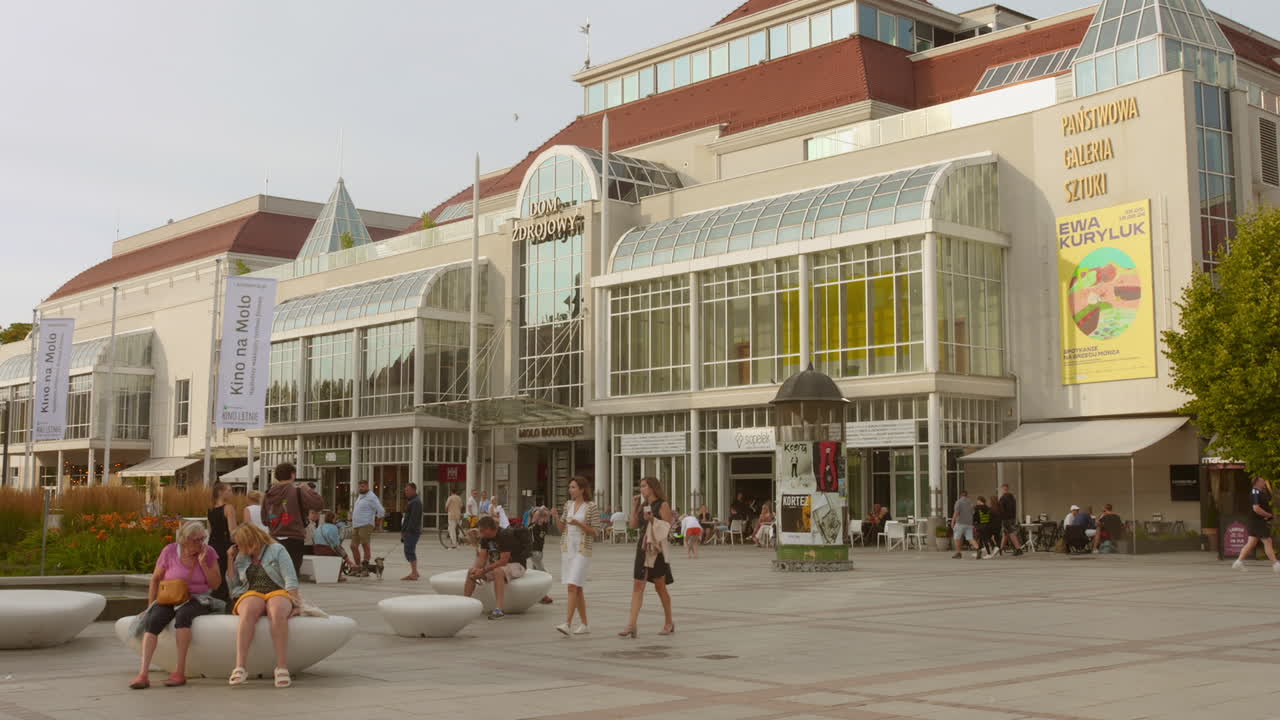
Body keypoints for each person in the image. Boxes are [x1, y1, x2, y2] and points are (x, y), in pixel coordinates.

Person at [129, 520, 224, 689]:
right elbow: (156, 579)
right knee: (153, 620)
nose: (201, 543)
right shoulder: (170, 551)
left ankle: (180, 672)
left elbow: (216, 584)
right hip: (170, 596)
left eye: (203, 538)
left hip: (198, 598)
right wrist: (150, 606)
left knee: (183, 616)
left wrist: (203, 564)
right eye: (196, 540)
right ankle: (143, 674)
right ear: (184, 540)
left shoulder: (209, 552)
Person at [226, 523, 301, 688]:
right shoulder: (242, 556)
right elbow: (233, 585)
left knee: (277, 611)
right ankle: (240, 666)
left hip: (277, 590)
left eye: (240, 543)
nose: (238, 547)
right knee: (248, 611)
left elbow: (290, 578)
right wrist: (230, 559)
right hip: (253, 592)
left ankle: (281, 667)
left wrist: (296, 604)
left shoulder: (277, 550)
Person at [620, 477, 675, 638]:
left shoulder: (662, 505)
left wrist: (653, 519)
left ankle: (669, 622)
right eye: (640, 486)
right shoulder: (644, 505)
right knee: (638, 585)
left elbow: (667, 527)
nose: (641, 489)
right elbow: (632, 526)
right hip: (643, 548)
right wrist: (635, 506)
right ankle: (631, 624)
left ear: (652, 488)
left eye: (644, 486)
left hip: (656, 550)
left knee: (660, 586)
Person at [555, 475, 600, 636]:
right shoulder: (568, 505)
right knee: (577, 587)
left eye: (573, 487)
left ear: (582, 489)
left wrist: (578, 523)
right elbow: (561, 528)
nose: (570, 490)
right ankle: (584, 624)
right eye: (569, 487)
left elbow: (596, 531)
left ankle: (567, 623)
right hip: (568, 549)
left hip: (582, 550)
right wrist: (555, 516)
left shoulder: (591, 506)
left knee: (572, 585)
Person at [262, 462, 324, 575]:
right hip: (294, 537)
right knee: (291, 575)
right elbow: (318, 505)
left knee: (276, 574)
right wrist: (308, 490)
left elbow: (265, 520)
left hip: (274, 538)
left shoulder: (268, 495)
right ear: (292, 475)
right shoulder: (297, 491)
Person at [464, 516, 528, 620]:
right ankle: (464, 604)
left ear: (489, 529)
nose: (480, 533)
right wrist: (477, 571)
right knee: (471, 571)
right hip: (497, 565)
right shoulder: (485, 538)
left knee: (498, 571)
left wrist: (484, 570)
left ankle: (499, 610)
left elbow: (504, 560)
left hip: (516, 565)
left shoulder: (505, 535)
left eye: (482, 530)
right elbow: (482, 558)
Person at [1233, 476, 1280, 572]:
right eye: (1262, 481)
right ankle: (1276, 564)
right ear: (1257, 483)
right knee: (1268, 541)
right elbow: (1256, 508)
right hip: (1258, 521)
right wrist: (1267, 515)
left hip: (1256, 521)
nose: (1264, 483)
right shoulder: (1255, 492)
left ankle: (1238, 562)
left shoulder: (1261, 492)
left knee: (1251, 543)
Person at [207, 481, 238, 601]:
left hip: (213, 545)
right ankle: (227, 600)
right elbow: (233, 531)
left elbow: (210, 531)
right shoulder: (228, 508)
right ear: (221, 492)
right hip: (225, 545)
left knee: (217, 573)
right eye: (229, 491)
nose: (231, 493)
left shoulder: (210, 510)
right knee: (228, 573)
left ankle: (217, 598)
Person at [350, 479, 385, 568]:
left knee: (365, 544)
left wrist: (377, 523)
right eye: (359, 487)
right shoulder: (360, 496)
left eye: (363, 486)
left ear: (367, 486)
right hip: (356, 525)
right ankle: (358, 566)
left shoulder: (371, 497)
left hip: (366, 524)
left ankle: (365, 566)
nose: (360, 488)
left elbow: (381, 511)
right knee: (353, 546)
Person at [314, 510, 356, 578]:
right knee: (339, 553)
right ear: (333, 519)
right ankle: (338, 576)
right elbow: (336, 545)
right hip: (326, 550)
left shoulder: (320, 527)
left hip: (317, 550)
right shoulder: (333, 528)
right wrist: (347, 558)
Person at [527, 507, 554, 605]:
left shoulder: (545, 526)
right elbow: (536, 515)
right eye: (541, 516)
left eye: (544, 517)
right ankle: (544, 595)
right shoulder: (532, 526)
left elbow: (547, 516)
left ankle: (535, 595)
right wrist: (538, 511)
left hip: (540, 552)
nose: (543, 518)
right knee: (543, 574)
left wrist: (546, 512)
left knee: (536, 575)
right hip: (534, 552)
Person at [401, 482, 423, 581]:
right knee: (409, 551)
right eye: (405, 490)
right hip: (410, 531)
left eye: (408, 490)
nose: (406, 492)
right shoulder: (412, 501)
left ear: (414, 490)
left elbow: (413, 519)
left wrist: (407, 531)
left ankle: (414, 573)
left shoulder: (416, 502)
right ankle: (415, 572)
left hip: (412, 531)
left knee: (409, 551)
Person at [950, 490, 978, 559]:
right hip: (969, 523)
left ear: (960, 495)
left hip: (960, 523)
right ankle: (978, 549)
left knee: (956, 538)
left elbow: (956, 513)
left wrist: (953, 521)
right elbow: (973, 513)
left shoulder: (958, 502)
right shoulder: (970, 503)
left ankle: (958, 553)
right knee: (970, 538)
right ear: (967, 495)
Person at [997, 484, 1024, 556]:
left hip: (1006, 518)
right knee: (1006, 533)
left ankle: (1018, 549)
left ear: (1003, 489)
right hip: (1012, 517)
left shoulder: (1002, 498)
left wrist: (1000, 517)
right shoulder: (1012, 497)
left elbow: (1001, 509)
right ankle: (1000, 549)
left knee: (1011, 533)